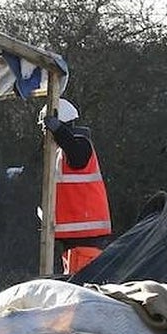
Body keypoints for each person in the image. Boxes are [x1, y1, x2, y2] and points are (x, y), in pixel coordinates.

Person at [40, 98, 112, 275]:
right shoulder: (60, 152)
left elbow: (77, 156)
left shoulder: (81, 144)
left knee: (83, 286)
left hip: (86, 235)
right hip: (76, 236)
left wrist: (58, 131)